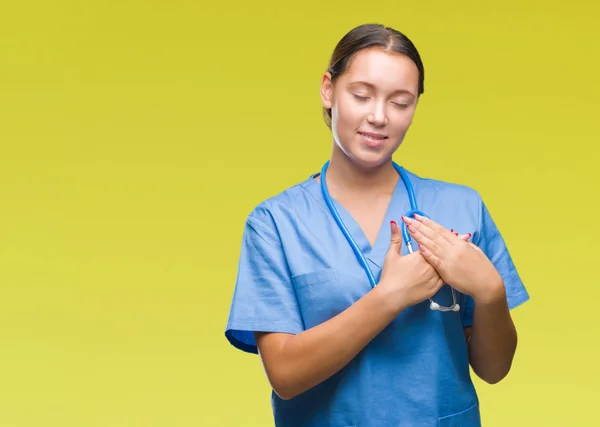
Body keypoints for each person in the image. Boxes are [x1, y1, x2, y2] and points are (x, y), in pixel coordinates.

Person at [224, 23, 529, 427]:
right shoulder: (275, 223)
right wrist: (389, 296)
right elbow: (285, 376)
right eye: (362, 95)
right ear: (328, 90)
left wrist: (490, 292)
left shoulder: (461, 206)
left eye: (401, 102)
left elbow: (493, 370)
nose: (379, 116)